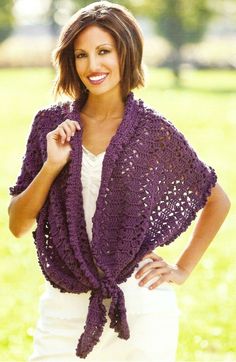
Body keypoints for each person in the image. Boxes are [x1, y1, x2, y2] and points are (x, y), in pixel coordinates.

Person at [8, 1, 230, 361]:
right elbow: (18, 224)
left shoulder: (153, 133)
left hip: (141, 311)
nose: (92, 66)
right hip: (64, 310)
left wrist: (182, 268)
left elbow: (217, 200)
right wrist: (51, 166)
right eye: (81, 55)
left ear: (126, 53)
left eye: (103, 52)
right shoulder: (49, 125)